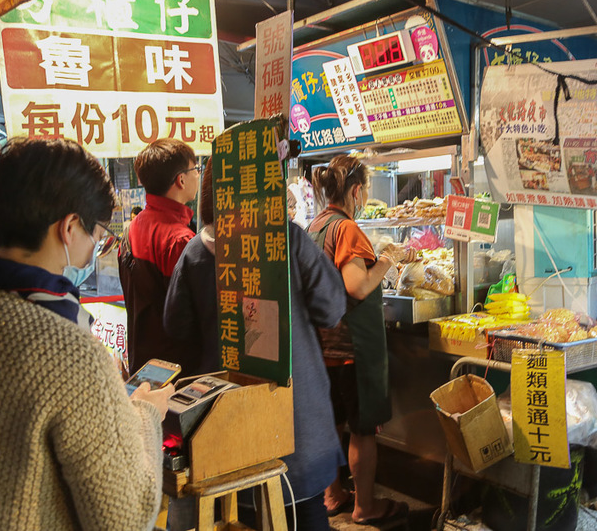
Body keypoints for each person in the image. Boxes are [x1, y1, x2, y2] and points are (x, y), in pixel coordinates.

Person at [0, 138, 174, 530]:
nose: (95, 249)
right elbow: (125, 518)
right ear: (69, 227)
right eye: (98, 234)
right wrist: (146, 414)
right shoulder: (69, 349)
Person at [164, 157, 346, 530]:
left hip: (225, 423)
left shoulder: (195, 253)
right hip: (296, 422)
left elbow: (176, 328)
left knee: (241, 518)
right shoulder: (287, 239)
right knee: (306, 515)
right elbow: (331, 308)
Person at [308, 154, 415, 526]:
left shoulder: (316, 225)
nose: (366, 196)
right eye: (366, 190)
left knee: (332, 424)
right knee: (362, 429)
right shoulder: (347, 229)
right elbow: (357, 286)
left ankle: (333, 494)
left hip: (322, 346)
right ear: (356, 191)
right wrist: (387, 259)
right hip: (352, 346)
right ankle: (365, 506)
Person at [118, 139, 201, 374]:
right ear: (181, 180)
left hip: (142, 367)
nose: (198, 175)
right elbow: (192, 318)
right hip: (174, 374)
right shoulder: (179, 240)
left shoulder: (132, 228)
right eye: (196, 169)